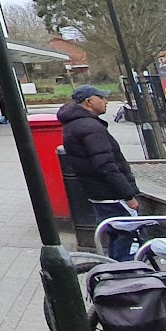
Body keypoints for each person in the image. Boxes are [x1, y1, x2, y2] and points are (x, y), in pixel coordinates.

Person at [56, 86, 140, 242]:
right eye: (101, 98)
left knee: (116, 238)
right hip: (112, 195)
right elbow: (106, 164)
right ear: (89, 101)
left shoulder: (73, 125)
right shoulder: (91, 127)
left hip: (97, 193)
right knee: (128, 239)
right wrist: (128, 195)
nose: (106, 101)